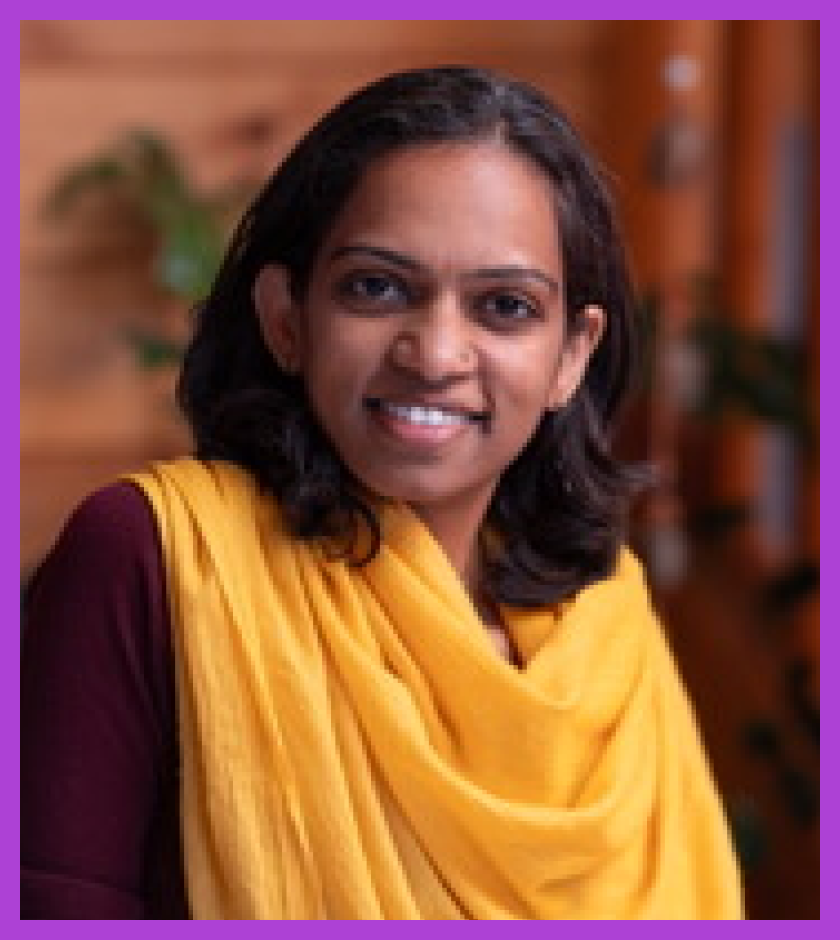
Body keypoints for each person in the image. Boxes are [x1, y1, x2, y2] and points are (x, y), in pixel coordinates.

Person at [21, 66, 743, 919]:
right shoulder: (151, 556)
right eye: (376, 288)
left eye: (505, 306)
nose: (436, 354)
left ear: (572, 354)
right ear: (287, 316)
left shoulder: (604, 618)